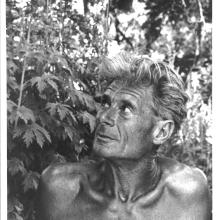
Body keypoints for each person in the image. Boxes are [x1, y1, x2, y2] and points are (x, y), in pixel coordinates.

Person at [36, 52, 211, 220]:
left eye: (125, 109)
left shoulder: (188, 193)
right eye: (106, 103)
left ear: (161, 132)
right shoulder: (61, 190)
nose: (103, 117)